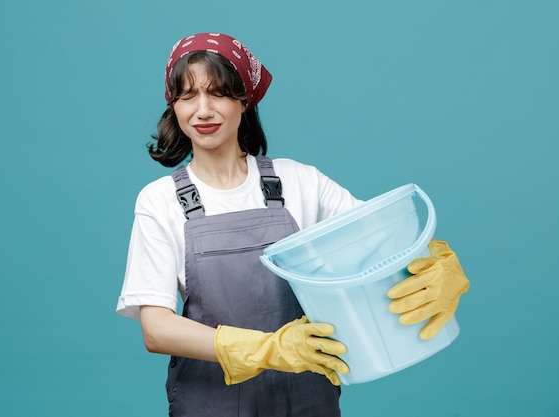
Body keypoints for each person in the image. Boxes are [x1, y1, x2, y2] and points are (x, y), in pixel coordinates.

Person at [116, 32, 469, 417]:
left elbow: (384, 240)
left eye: (217, 93)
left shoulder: (299, 181)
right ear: (174, 105)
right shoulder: (159, 200)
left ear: (244, 99)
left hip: (307, 400)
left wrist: (438, 261)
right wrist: (270, 349)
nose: (202, 110)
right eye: (187, 96)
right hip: (210, 403)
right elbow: (156, 329)